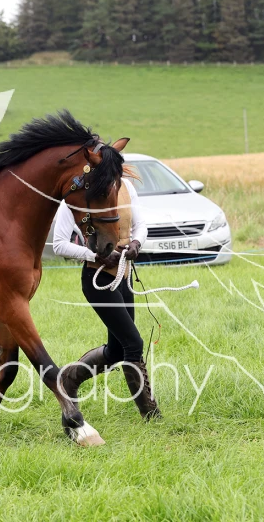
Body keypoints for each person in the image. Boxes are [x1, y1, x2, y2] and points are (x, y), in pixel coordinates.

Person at [54, 174, 162, 420]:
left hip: (124, 277)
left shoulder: (126, 186)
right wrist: (96, 256)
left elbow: (140, 225)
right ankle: (150, 415)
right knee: (133, 344)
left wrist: (136, 243)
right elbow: (59, 244)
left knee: (116, 351)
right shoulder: (76, 196)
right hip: (97, 280)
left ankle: (68, 380)